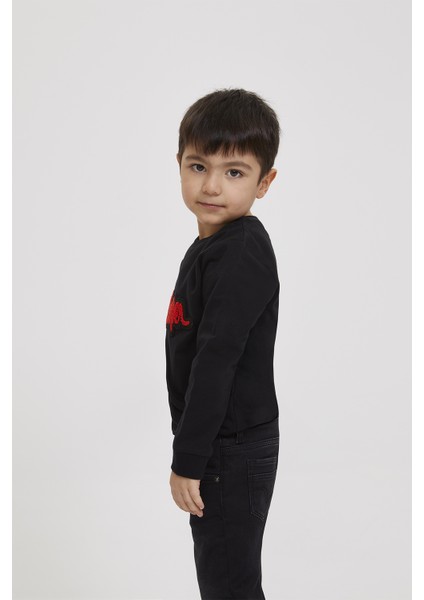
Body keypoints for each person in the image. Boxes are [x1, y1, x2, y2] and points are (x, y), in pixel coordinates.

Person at [165, 87, 281, 600]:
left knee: (229, 585)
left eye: (234, 172)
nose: (211, 185)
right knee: (226, 580)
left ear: (264, 182)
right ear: (179, 165)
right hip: (223, 443)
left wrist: (189, 459)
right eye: (198, 166)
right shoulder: (213, 245)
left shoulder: (240, 252)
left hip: (229, 449)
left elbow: (216, 359)